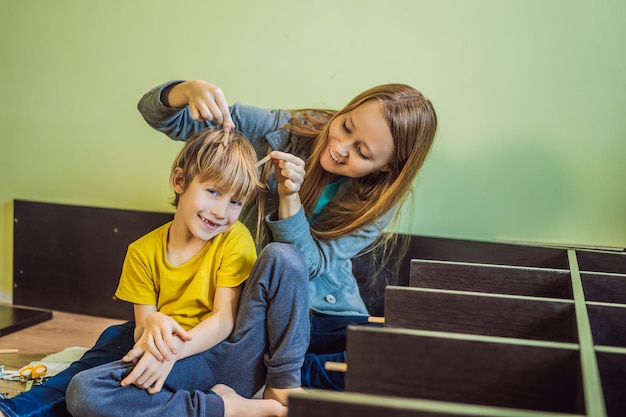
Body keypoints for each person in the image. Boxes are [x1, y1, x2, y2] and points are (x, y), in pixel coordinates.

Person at [136, 79, 438, 390]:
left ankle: (270, 374)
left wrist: (289, 199)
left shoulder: (379, 201)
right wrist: (185, 92)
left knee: (402, 358)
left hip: (323, 311)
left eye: (362, 152)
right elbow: (159, 115)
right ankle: (276, 375)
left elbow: (307, 267)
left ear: (386, 168)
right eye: (346, 126)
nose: (340, 148)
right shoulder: (277, 130)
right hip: (253, 306)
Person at [0, 129, 309, 417]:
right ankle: (225, 408)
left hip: (231, 356)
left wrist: (171, 352)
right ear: (179, 181)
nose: (221, 212)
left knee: (284, 256)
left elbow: (224, 321)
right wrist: (153, 324)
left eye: (235, 202)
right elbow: (140, 331)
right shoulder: (141, 252)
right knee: (85, 391)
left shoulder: (234, 237)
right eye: (213, 191)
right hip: (182, 365)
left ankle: (281, 388)